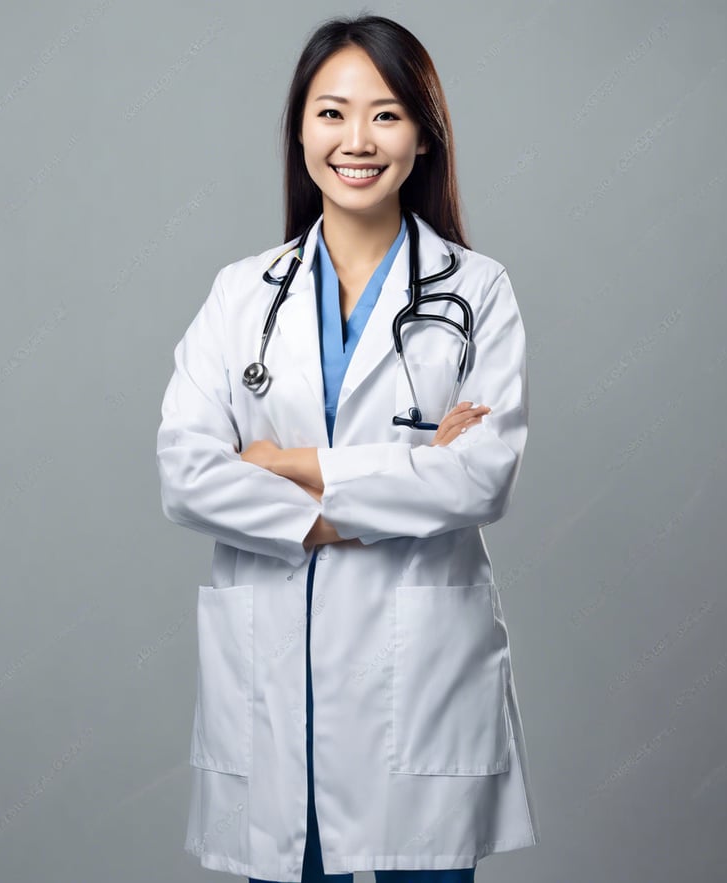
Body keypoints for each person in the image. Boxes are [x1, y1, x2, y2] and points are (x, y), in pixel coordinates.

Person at [156, 13, 540, 883]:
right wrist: (368, 503)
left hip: (423, 687)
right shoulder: (240, 295)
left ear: (423, 136)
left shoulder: (476, 293)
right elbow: (185, 473)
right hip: (277, 683)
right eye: (331, 113)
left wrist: (286, 464)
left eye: (386, 114)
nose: (356, 140)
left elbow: (480, 477)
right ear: (299, 129)